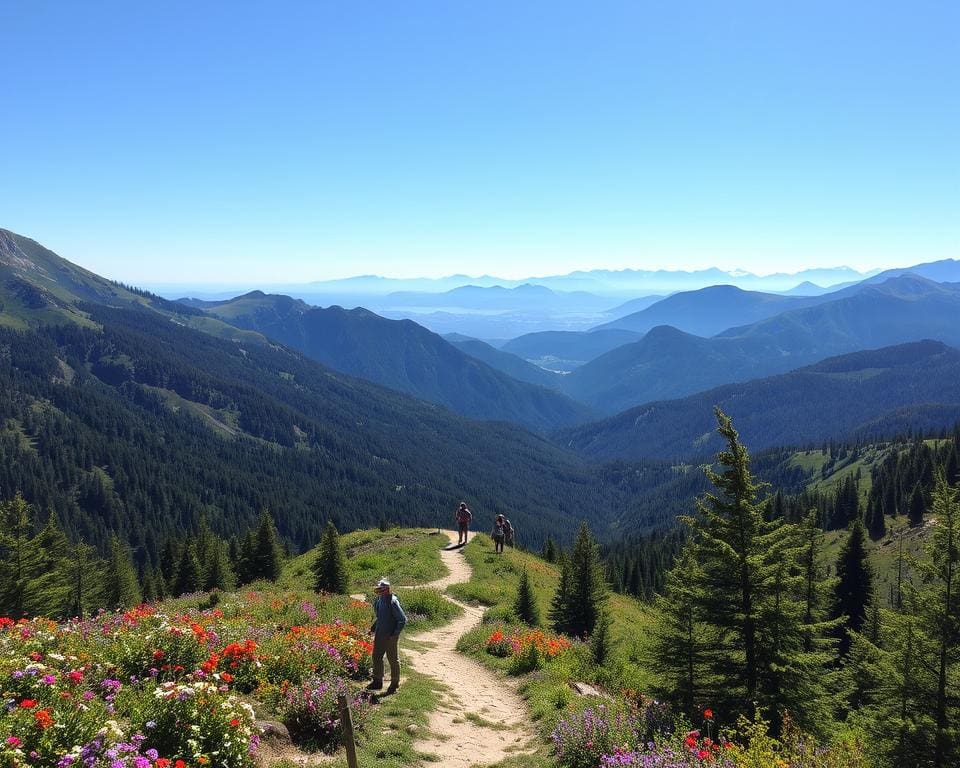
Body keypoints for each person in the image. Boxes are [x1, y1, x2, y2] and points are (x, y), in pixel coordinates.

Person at [367, 578, 407, 694]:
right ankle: (377, 681)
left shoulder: (393, 602)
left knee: (393, 659)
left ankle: (394, 684)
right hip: (380, 634)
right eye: (378, 589)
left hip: (390, 636)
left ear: (387, 589)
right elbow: (380, 618)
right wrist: (372, 629)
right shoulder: (379, 600)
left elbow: (402, 619)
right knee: (376, 656)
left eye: (381, 589)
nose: (379, 591)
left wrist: (395, 634)